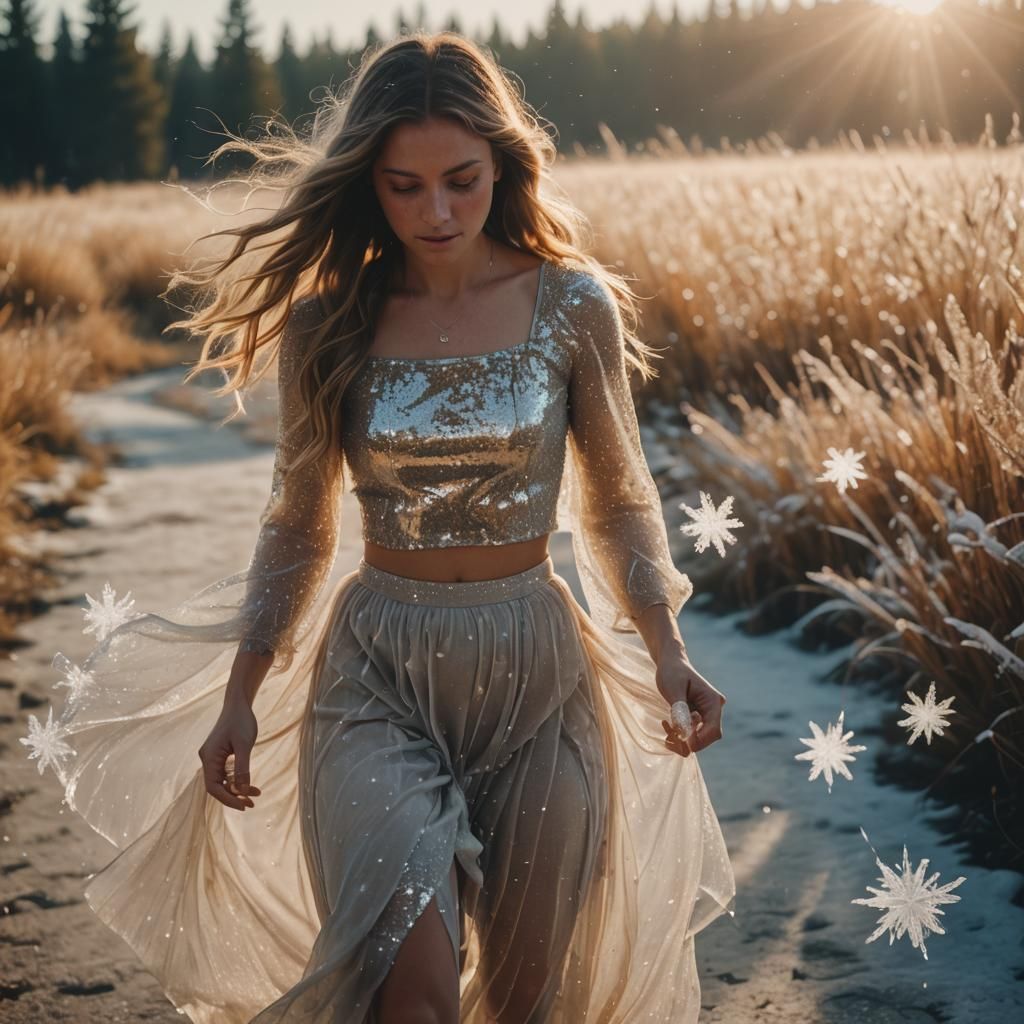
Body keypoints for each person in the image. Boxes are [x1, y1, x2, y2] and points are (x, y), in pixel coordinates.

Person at [38, 30, 735, 1024]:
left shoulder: (573, 306)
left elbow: (620, 498)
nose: (436, 211)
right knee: (410, 987)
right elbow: (296, 523)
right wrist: (242, 688)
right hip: (376, 676)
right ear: (370, 183)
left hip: (538, 671)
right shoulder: (330, 322)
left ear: (502, 162)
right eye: (404, 186)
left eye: (460, 179)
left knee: (528, 998)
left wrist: (667, 648)